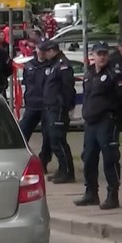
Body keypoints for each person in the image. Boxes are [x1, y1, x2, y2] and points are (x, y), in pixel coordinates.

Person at [74, 42, 122, 209]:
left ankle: (112, 195)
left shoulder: (113, 74)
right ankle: (91, 193)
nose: (102, 57)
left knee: (110, 158)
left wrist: (115, 118)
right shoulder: (89, 74)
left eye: (104, 54)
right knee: (88, 158)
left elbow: (120, 99)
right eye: (98, 54)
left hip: (106, 122)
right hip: (91, 123)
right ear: (92, 56)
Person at [39, 40, 76, 184]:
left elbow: (68, 87)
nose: (44, 54)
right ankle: (62, 169)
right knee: (53, 140)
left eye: (46, 51)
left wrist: (64, 105)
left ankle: (67, 172)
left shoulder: (63, 65)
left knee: (58, 140)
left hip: (58, 108)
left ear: (52, 50)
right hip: (51, 107)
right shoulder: (54, 64)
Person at [18, 41, 50, 172]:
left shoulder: (51, 65)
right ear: (36, 49)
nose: (41, 52)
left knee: (48, 136)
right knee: (22, 134)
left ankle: (44, 162)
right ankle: (22, 160)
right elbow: (26, 83)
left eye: (44, 50)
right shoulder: (29, 65)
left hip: (46, 106)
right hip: (32, 105)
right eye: (40, 49)